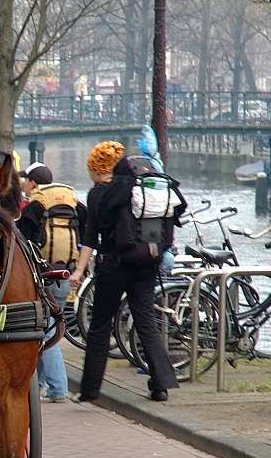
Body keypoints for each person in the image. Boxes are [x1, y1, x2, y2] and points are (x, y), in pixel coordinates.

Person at [67, 141, 178, 402]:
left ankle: (90, 390)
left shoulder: (98, 194)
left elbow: (91, 236)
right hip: (145, 264)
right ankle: (160, 385)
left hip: (112, 266)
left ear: (97, 168)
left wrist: (79, 269)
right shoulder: (141, 190)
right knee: (146, 322)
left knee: (100, 325)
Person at [16, 162, 85, 403]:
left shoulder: (36, 203)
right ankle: (41, 385)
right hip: (66, 273)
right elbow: (87, 232)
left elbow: (21, 238)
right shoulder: (71, 200)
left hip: (44, 275)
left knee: (46, 331)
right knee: (49, 327)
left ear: (33, 183)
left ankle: (58, 388)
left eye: (26, 181)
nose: (24, 185)